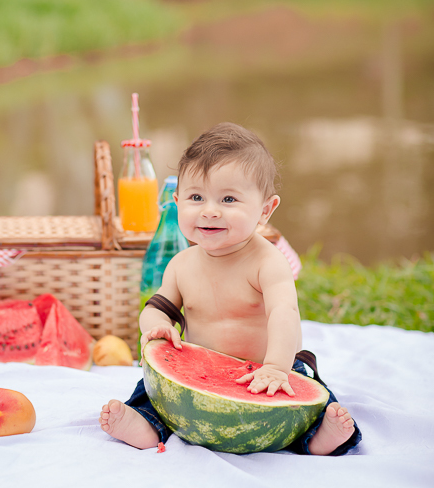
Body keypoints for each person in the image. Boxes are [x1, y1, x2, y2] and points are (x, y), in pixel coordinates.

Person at [99, 122, 361, 455]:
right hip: (198, 373)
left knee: (309, 395)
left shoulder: (268, 261)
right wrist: (158, 328)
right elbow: (155, 308)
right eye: (196, 197)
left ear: (265, 209)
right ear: (177, 201)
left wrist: (276, 367)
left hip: (268, 366)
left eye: (228, 199)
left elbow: (284, 313)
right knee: (151, 391)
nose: (209, 210)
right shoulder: (181, 265)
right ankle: (145, 424)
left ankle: (318, 438)